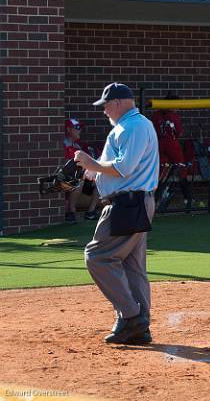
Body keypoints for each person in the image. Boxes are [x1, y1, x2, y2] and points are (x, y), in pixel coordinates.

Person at [73, 83, 159, 345]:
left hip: (128, 203)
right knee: (132, 264)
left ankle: (132, 317)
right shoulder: (129, 126)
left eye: (107, 105)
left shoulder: (133, 126)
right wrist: (92, 171)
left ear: (120, 102)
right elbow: (114, 167)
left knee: (97, 256)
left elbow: (125, 168)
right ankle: (139, 325)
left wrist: (92, 163)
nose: (104, 111)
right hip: (132, 201)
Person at [150, 93, 193, 210]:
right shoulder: (173, 116)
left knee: (161, 172)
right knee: (181, 170)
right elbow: (178, 131)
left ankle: (154, 200)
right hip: (171, 144)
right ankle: (188, 200)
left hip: (158, 144)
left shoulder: (155, 115)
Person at [63, 118, 100, 223]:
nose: (80, 130)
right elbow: (65, 164)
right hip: (68, 177)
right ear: (69, 129)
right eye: (77, 128)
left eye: (80, 128)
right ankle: (71, 213)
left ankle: (90, 212)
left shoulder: (79, 145)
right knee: (79, 180)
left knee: (101, 179)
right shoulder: (63, 144)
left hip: (83, 174)